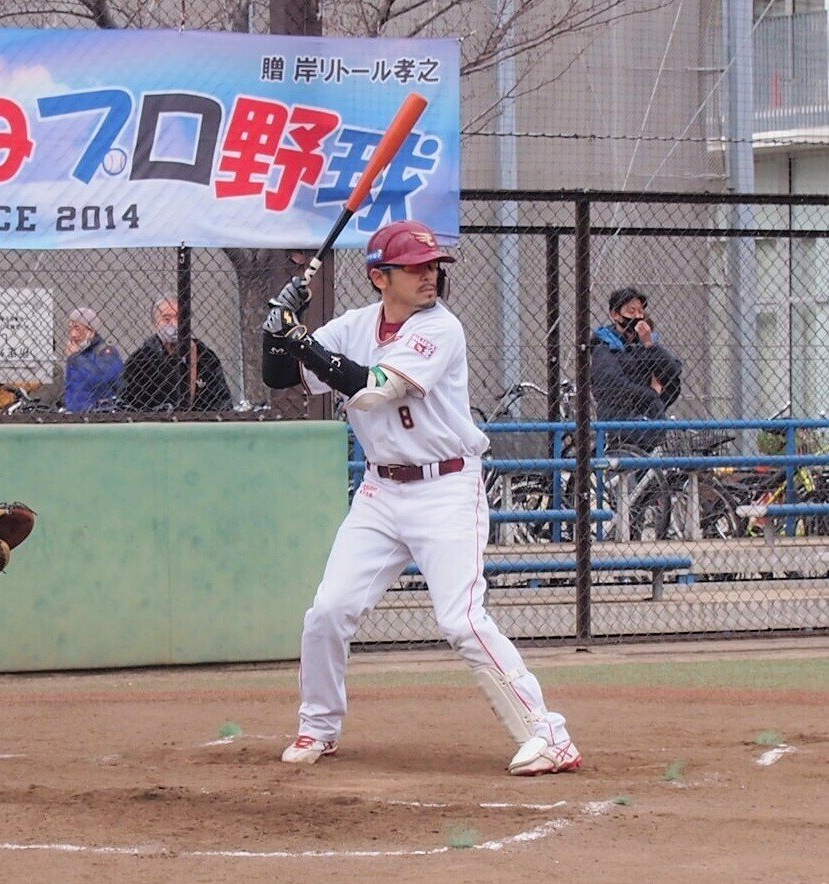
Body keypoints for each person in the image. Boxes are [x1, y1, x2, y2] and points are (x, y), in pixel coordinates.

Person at [261, 219, 581, 776]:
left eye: (432, 265)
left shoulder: (440, 328)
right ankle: (318, 726)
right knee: (328, 611)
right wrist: (276, 330)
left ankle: (549, 735)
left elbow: (372, 387)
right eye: (414, 266)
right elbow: (279, 376)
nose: (430, 274)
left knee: (461, 620)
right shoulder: (356, 324)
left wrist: (302, 340)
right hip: (381, 490)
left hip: (446, 488)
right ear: (379, 277)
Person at [591, 287, 682, 450]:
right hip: (619, 420)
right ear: (615, 315)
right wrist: (652, 394)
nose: (637, 316)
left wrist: (649, 345)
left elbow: (673, 373)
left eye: (640, 311)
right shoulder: (604, 347)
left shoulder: (646, 344)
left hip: (651, 416)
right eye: (631, 311)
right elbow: (614, 387)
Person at [121, 297, 232, 412]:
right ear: (155, 324)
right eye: (166, 319)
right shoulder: (140, 361)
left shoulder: (205, 356)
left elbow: (223, 401)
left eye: (179, 318)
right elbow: (126, 405)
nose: (174, 324)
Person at [63, 307, 123, 412]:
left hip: (97, 414)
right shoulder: (75, 356)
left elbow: (102, 378)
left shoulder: (106, 352)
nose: (73, 334)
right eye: (70, 328)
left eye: (77, 328)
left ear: (91, 331)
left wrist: (76, 357)